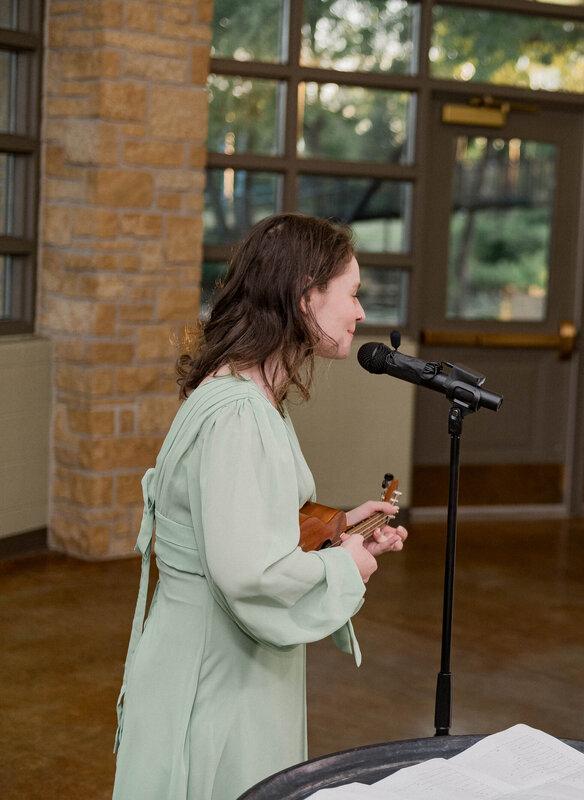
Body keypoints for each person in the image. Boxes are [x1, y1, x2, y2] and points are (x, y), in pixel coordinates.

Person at [112, 213, 408, 800]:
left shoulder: (245, 396)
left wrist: (338, 528)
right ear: (304, 298)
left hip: (228, 661)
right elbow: (248, 573)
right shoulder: (239, 414)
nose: (361, 313)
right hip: (216, 674)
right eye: (352, 294)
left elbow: (238, 525)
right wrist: (346, 566)